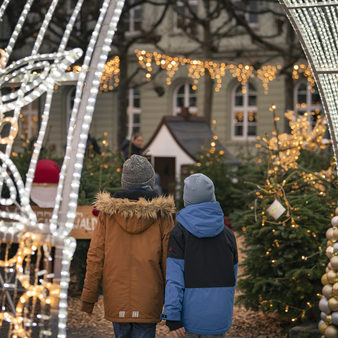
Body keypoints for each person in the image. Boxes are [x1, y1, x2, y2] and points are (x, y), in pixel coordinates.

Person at [81, 155, 175, 338]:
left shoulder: (108, 214)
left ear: (124, 182)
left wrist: (88, 299)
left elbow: (95, 256)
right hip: (149, 298)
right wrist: (173, 304)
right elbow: (170, 261)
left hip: (117, 297)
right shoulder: (162, 215)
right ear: (150, 181)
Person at [162, 173, 238, 338]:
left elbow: (174, 279)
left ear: (186, 199)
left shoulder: (179, 234)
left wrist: (172, 317)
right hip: (220, 317)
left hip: (190, 319)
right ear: (212, 196)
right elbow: (233, 277)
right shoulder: (228, 235)